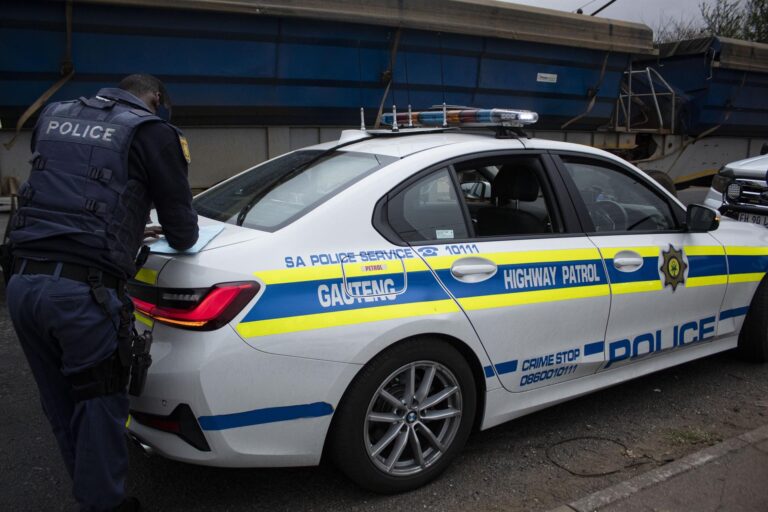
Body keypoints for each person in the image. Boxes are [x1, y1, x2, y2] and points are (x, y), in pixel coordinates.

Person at [5, 74, 199, 511]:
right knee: (99, 406)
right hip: (80, 296)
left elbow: (72, 190)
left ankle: (88, 494)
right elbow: (183, 232)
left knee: (61, 405)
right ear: (155, 99)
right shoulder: (152, 132)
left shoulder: (56, 115)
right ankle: (102, 505)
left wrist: (128, 225)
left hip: (22, 285)